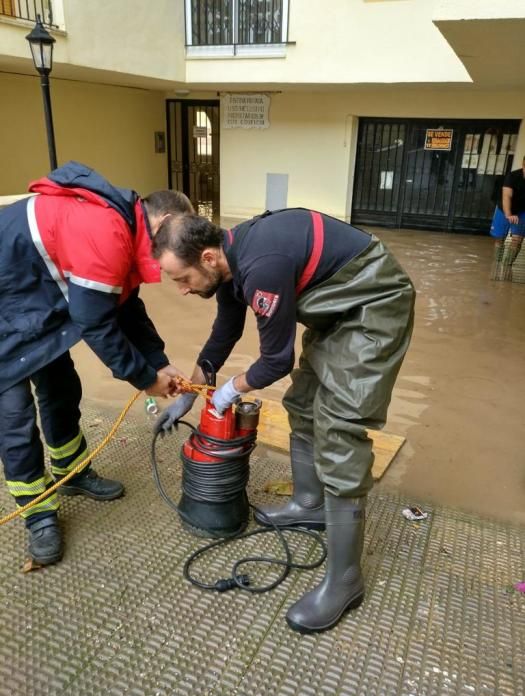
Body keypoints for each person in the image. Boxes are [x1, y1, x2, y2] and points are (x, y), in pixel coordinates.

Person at [152, 208, 415, 634]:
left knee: (339, 429)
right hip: (337, 314)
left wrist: (231, 388)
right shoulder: (230, 261)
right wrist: (191, 390)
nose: (181, 290)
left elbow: (275, 360)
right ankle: (310, 506)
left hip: (372, 309)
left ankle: (345, 581)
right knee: (304, 404)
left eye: (181, 278)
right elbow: (225, 331)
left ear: (207, 258)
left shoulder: (262, 267)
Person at [0, 161, 194, 566]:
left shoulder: (128, 229)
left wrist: (158, 362)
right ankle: (37, 513)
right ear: (166, 221)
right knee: (14, 418)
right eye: (183, 239)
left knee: (61, 388)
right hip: (7, 307)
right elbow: (95, 322)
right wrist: (145, 379)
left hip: (32, 303)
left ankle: (72, 473)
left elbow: (125, 305)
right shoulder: (105, 231)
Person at [490, 155, 525, 281]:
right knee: (499, 239)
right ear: (523, 165)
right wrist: (508, 214)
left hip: (522, 210)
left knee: (517, 239)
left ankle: (507, 267)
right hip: (504, 208)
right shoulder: (512, 177)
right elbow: (506, 197)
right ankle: (497, 264)